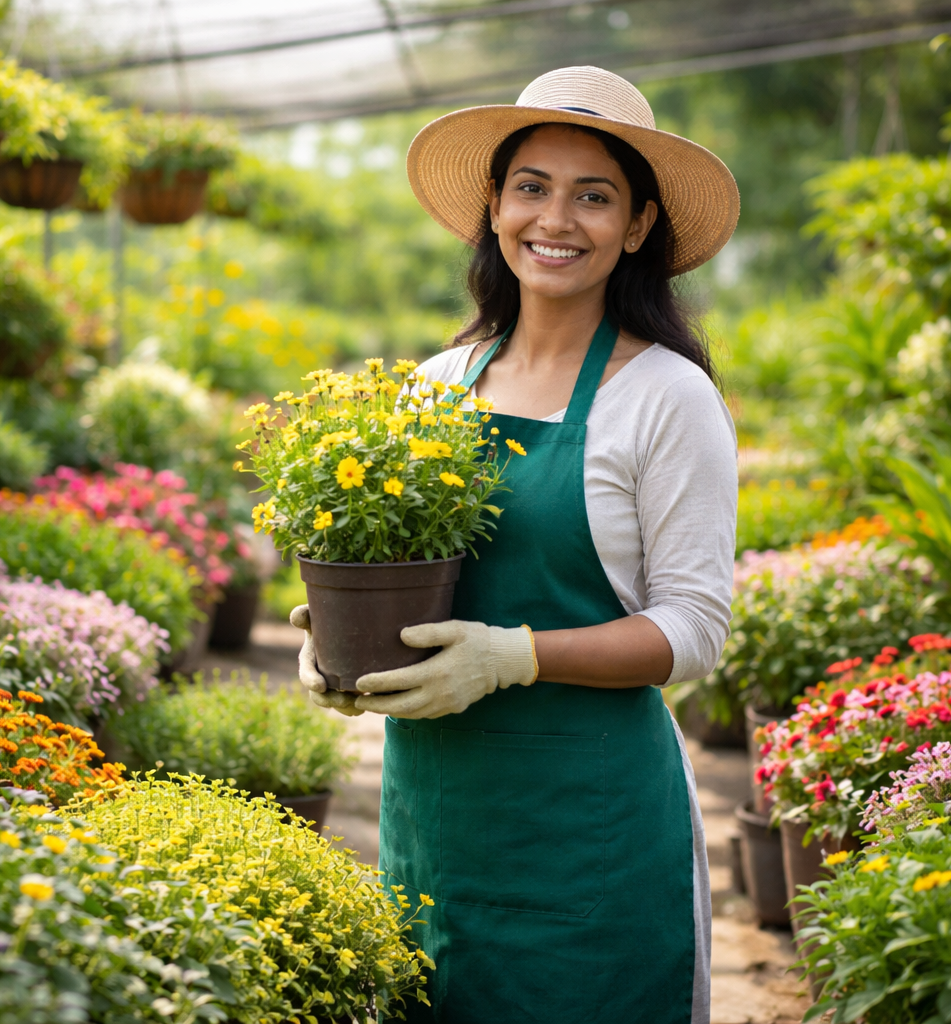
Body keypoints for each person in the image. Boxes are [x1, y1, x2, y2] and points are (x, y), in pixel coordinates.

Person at [290, 66, 739, 1023]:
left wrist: (513, 656)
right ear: (494, 206)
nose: (556, 219)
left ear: (639, 225)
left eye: (594, 196)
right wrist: (333, 640)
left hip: (590, 834)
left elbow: (694, 629)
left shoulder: (667, 396)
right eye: (532, 187)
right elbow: (394, 580)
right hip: (437, 821)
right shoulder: (438, 385)